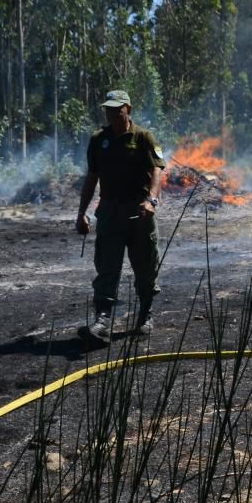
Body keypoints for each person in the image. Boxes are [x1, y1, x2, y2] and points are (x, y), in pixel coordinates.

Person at [76, 90, 165, 342]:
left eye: (118, 108)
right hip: (109, 213)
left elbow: (157, 170)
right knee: (106, 267)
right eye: (108, 109)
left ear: (129, 108)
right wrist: (81, 213)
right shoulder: (98, 140)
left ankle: (146, 313)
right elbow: (92, 177)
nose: (113, 113)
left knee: (146, 266)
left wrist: (151, 201)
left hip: (139, 212)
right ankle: (102, 321)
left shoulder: (143, 137)